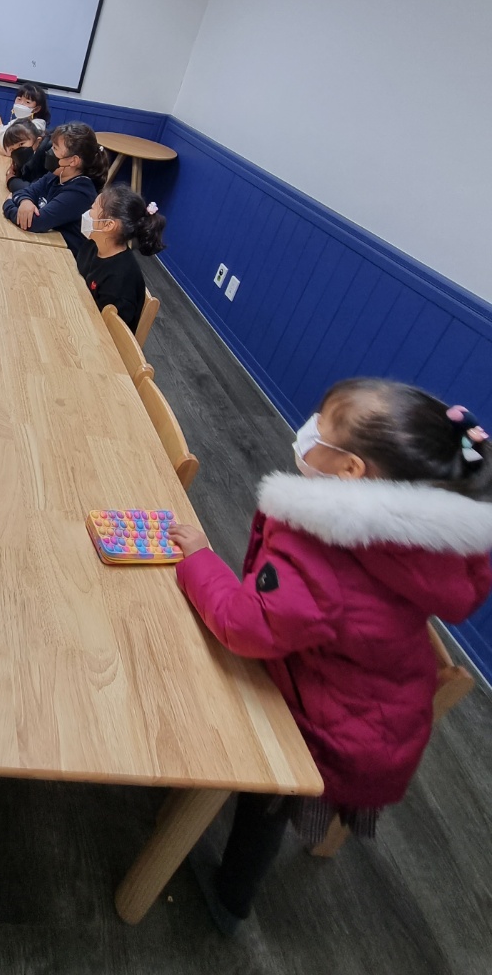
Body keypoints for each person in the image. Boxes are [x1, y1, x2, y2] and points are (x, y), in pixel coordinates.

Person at [167, 379, 492, 936]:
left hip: (333, 733)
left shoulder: (323, 547)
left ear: (350, 470)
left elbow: (245, 626)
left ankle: (230, 901)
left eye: (321, 424)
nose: (309, 429)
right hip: (377, 709)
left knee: (263, 807)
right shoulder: (424, 542)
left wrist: (199, 560)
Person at [1, 121, 109, 254]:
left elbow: (35, 223)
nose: (49, 151)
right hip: (46, 242)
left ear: (73, 161)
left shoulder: (79, 193)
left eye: (55, 148)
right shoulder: (55, 175)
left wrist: (8, 205)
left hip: (65, 255)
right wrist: (25, 201)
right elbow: (25, 191)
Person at [76, 186, 166, 333]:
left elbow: (107, 332)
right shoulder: (92, 245)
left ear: (108, 225)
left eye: (93, 208)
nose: (88, 213)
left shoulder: (120, 282)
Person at [0, 81, 50, 146]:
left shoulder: (37, 125)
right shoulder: (16, 121)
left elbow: (9, 147)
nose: (21, 104)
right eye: (19, 99)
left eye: (27, 102)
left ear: (36, 109)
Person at [2, 118, 51, 191]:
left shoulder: (49, 157)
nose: (17, 150)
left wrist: (11, 181)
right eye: (12, 149)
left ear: (38, 141)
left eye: (21, 144)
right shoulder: (28, 160)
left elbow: (36, 191)